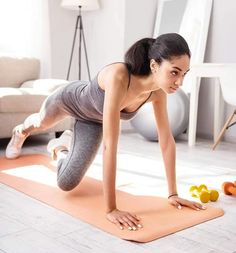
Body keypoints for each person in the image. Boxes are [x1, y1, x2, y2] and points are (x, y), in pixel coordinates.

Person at [5, 33, 206, 231]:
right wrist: (111, 209)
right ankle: (20, 132)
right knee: (40, 123)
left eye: (184, 74)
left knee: (66, 183)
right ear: (154, 65)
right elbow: (110, 146)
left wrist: (173, 193)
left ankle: (60, 148)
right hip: (68, 100)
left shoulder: (158, 93)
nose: (180, 82)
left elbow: (166, 140)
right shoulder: (119, 75)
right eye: (174, 72)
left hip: (92, 122)